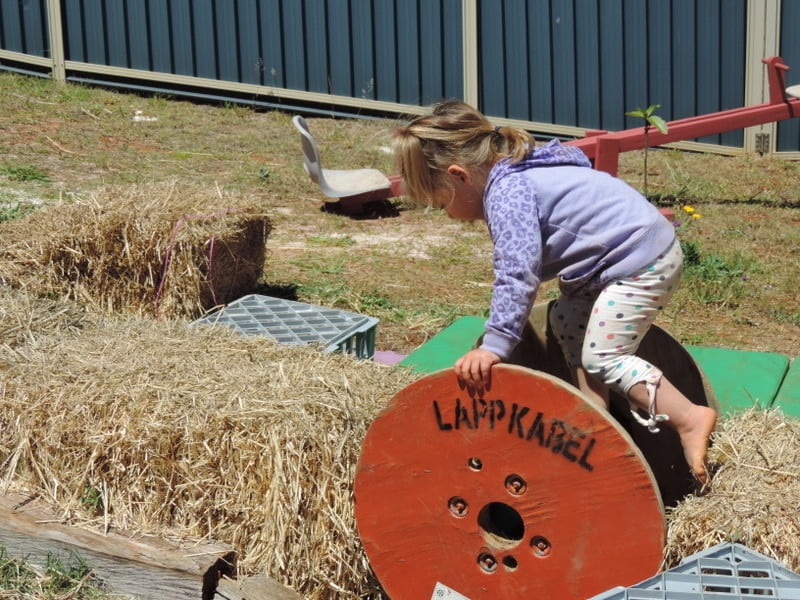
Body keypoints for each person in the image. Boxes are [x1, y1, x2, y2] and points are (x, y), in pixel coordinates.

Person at [393, 100, 717, 484]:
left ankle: (689, 418)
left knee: (604, 358)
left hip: (639, 263)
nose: (445, 212)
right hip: (612, 263)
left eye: (440, 201)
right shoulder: (519, 169)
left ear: (459, 176)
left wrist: (494, 345)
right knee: (565, 319)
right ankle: (593, 413)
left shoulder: (506, 194)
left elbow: (517, 273)